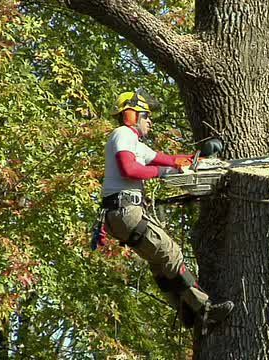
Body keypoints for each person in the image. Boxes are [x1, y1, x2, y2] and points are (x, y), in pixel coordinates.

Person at [95, 90, 234, 331]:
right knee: (171, 253)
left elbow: (167, 160)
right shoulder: (123, 135)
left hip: (123, 213)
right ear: (131, 115)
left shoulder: (135, 144)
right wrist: (162, 172)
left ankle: (184, 308)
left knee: (159, 262)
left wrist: (196, 159)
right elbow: (130, 169)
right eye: (146, 115)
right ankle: (205, 309)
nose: (150, 121)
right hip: (125, 211)